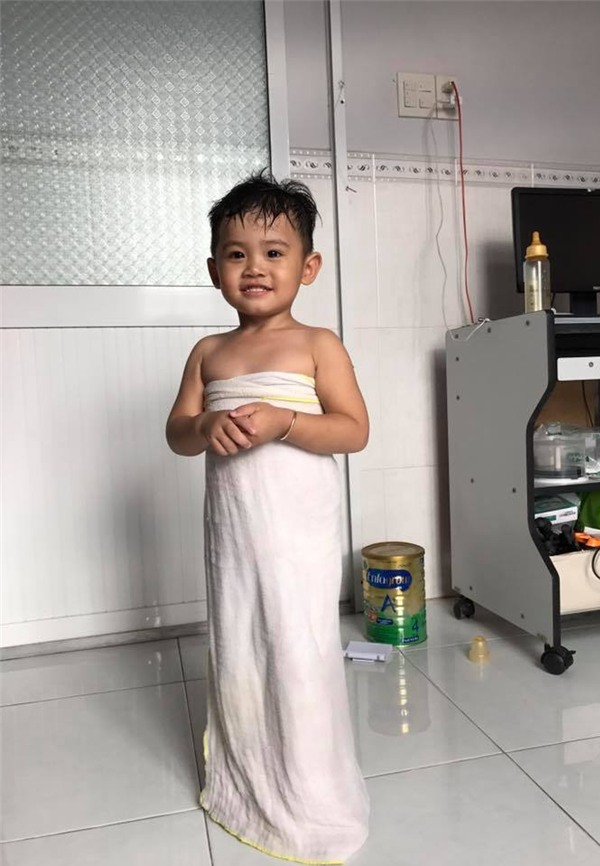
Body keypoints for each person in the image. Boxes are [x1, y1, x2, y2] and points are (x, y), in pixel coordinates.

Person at [166, 172, 370, 864]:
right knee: (241, 644)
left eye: (274, 252)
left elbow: (353, 430)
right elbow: (177, 433)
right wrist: (205, 425)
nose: (254, 266)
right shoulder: (209, 353)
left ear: (308, 267)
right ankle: (247, 782)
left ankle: (311, 795)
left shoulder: (317, 344)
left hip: (298, 530)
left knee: (298, 646)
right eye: (236, 253)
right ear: (214, 270)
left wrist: (287, 422)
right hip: (234, 532)